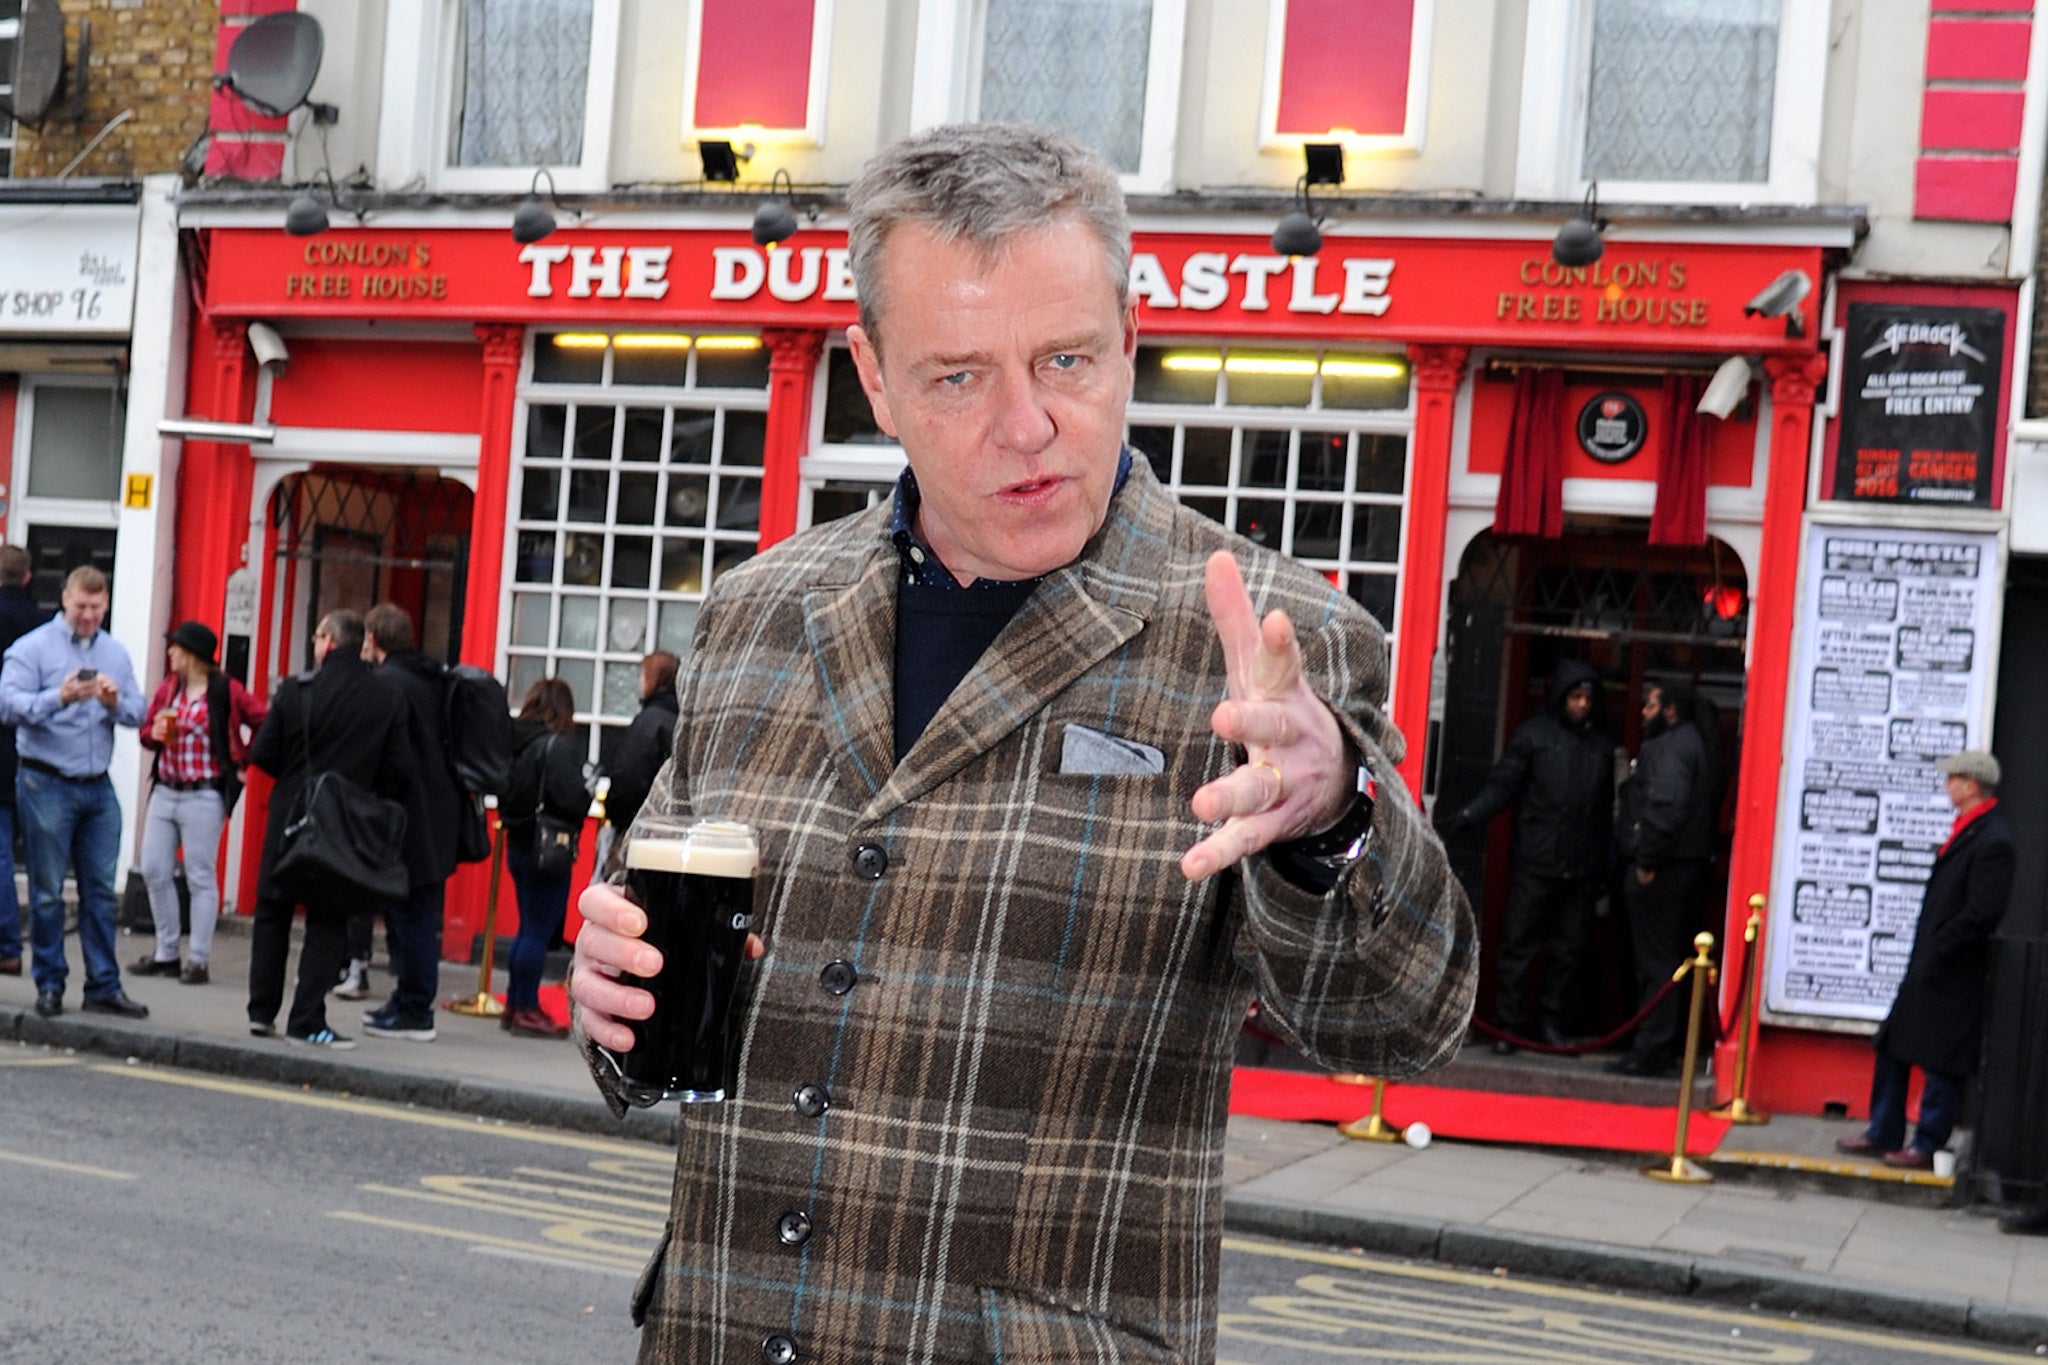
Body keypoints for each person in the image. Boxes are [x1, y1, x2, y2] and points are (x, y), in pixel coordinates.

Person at [567, 123, 1476, 1363]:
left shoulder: (1274, 638)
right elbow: (652, 987)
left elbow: (1402, 1023)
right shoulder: (757, 613)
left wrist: (1331, 821)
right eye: (955, 376)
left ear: (1129, 344)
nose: (1029, 424)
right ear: (873, 376)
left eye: (1065, 360)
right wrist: (609, 998)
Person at [1837, 749, 2013, 1171]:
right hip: (1931, 964)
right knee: (1893, 1043)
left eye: (1952, 778)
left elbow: (1982, 911)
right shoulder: (1969, 830)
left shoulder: (1993, 841)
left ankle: (1928, 1142)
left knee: (1942, 1061)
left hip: (1954, 969)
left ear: (1970, 785)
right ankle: (1884, 1129)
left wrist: (1941, 946)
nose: (1945, 784)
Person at [245, 609, 412, 1048]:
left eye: (318, 636)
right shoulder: (386, 698)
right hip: (346, 823)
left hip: (291, 815)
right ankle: (307, 1020)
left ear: (328, 642)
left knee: (272, 912)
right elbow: (398, 770)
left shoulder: (295, 691)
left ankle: (261, 1011)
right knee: (328, 919)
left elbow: (261, 754)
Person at [1437, 660, 1613, 1052]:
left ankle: (1551, 1023)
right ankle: (1509, 1025)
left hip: (1581, 865)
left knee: (1568, 952)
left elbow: (1605, 811)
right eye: (1576, 697)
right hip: (1537, 861)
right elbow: (1504, 786)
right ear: (1562, 697)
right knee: (1519, 945)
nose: (1582, 705)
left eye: (1588, 698)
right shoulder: (1534, 736)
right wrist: (1468, 816)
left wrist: (1605, 864)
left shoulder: (1600, 745)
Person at [0, 564, 147, 1019]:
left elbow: (138, 712)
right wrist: (58, 697)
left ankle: (104, 984)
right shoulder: (33, 648)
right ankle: (50, 983)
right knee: (46, 892)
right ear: (65, 598)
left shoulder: (114, 651)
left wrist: (112, 702)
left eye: (96, 608)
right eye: (81, 606)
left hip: (97, 785)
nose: (88, 616)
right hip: (46, 780)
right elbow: (8, 705)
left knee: (101, 891)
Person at [133, 621, 267, 985]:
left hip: (204, 792)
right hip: (165, 788)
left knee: (199, 874)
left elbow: (264, 721)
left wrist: (244, 761)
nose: (170, 653)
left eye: (175, 647)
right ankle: (166, 951)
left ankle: (198, 959)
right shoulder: (169, 688)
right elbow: (147, 733)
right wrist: (154, 734)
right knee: (155, 869)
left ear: (192, 654)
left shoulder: (226, 690)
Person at [359, 603, 462, 1042]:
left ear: (374, 640)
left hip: (407, 816)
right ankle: (404, 1000)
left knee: (411, 917)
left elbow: (392, 756)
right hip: (438, 812)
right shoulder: (431, 678)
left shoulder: (387, 684)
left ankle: (416, 1008)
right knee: (415, 913)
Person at [1609, 680, 1717, 1076]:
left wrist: (1646, 860)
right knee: (1669, 958)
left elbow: (1666, 805)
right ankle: (1661, 1044)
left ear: (1670, 709)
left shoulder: (1672, 747)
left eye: (1651, 704)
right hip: (1685, 867)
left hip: (1665, 869)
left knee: (1655, 961)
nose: (1643, 712)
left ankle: (1651, 1049)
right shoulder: (1694, 742)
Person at [501, 676, 587, 1040]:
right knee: (537, 931)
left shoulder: (517, 742)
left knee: (525, 928)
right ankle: (526, 1009)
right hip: (548, 847)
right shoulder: (557, 746)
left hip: (519, 843)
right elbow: (571, 798)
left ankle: (515, 1004)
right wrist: (586, 795)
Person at [0, 545, 45, 976]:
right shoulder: (43, 627)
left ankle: (8, 944)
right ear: (28, 577)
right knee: (42, 860)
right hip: (37, 753)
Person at [600, 650, 679, 839]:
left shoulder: (648, 722)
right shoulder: (681, 720)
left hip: (638, 828)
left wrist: (613, 811)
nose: (640, 681)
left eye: (644, 675)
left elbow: (629, 776)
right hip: (672, 828)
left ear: (655, 680)